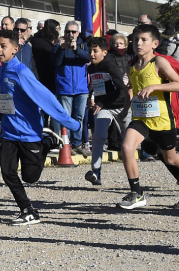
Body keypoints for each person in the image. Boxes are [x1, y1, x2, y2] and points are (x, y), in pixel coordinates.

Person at [0, 29, 77, 226]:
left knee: (30, 177)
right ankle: (28, 210)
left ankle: (47, 143)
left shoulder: (22, 72)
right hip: (9, 132)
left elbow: (45, 97)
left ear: (15, 49)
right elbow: (1, 101)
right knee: (7, 172)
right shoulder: (0, 70)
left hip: (29, 132)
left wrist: (70, 122)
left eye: (3, 46)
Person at [118, 24, 179, 210]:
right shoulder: (131, 65)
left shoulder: (159, 63)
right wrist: (125, 110)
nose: (138, 43)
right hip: (141, 118)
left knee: (170, 158)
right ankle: (137, 193)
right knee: (127, 147)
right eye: (135, 40)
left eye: (143, 40)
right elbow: (130, 88)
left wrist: (155, 87)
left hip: (162, 119)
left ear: (155, 43)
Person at [84, 36, 131, 185]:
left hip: (121, 106)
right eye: (90, 51)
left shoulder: (110, 66)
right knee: (98, 137)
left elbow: (122, 91)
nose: (92, 54)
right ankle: (96, 172)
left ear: (104, 52)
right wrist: (91, 97)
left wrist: (103, 101)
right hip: (104, 107)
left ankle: (133, 178)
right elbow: (95, 86)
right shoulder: (90, 67)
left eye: (95, 51)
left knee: (129, 142)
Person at [52, 21, 90, 154]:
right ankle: (66, 144)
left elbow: (88, 58)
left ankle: (77, 143)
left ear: (78, 33)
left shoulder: (83, 45)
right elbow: (56, 62)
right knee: (65, 117)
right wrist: (62, 49)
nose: (70, 34)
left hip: (81, 88)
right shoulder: (58, 45)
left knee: (78, 117)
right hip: (65, 87)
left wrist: (76, 49)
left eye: (73, 32)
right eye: (68, 32)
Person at [28, 19, 59, 93]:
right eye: (57, 29)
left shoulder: (38, 41)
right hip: (45, 78)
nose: (59, 31)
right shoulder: (45, 46)